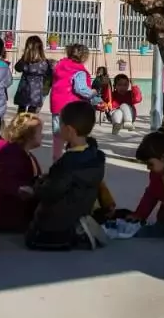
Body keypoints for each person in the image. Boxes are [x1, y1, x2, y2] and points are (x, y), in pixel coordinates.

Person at [27, 101, 113, 250]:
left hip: (59, 219)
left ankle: (73, 231)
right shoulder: (96, 156)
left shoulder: (67, 163)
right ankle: (80, 225)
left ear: (69, 130)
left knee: (32, 229)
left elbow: (52, 190)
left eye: (60, 124)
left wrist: (36, 188)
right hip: (82, 209)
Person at [0, 112, 44, 232]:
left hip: (17, 212)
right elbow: (5, 182)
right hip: (10, 216)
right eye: (40, 133)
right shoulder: (13, 157)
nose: (42, 136)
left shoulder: (24, 154)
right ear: (29, 136)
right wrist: (21, 189)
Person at [49, 43, 103, 161]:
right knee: (74, 133)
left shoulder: (59, 65)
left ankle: (56, 158)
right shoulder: (79, 71)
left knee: (58, 134)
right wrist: (93, 92)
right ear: (84, 57)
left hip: (57, 104)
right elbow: (80, 89)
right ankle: (72, 158)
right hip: (71, 107)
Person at [13, 36, 53, 114]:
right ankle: (30, 125)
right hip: (36, 91)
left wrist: (23, 58)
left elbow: (17, 68)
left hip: (24, 90)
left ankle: (20, 125)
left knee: (21, 111)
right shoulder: (44, 63)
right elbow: (49, 73)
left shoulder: (24, 61)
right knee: (32, 112)